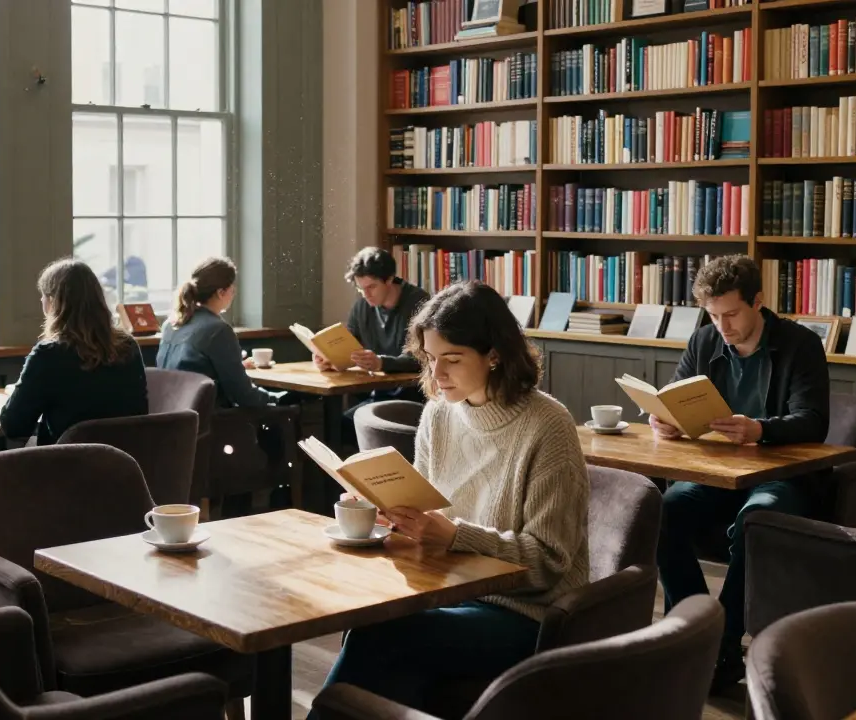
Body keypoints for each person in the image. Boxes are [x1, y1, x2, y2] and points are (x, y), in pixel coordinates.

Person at [310, 281, 590, 718]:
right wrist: (384, 508)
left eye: (453, 360)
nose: (437, 376)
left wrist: (458, 536)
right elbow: (427, 517)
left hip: (527, 613)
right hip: (449, 594)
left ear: (494, 354)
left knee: (383, 639)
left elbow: (550, 562)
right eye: (430, 358)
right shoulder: (439, 415)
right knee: (380, 641)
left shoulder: (548, 425)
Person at [652, 254, 830, 694]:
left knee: (755, 521)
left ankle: (723, 645)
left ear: (758, 301)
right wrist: (665, 420)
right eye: (713, 315)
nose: (723, 326)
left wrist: (761, 429)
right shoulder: (704, 340)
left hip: (778, 477)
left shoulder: (800, 344)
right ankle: (692, 630)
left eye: (731, 314)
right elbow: (677, 396)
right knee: (661, 514)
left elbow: (813, 420)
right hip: (715, 474)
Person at [0, 257, 147, 445]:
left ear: (53, 303)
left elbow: (14, 426)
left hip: (66, 467)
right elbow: (140, 414)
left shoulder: (48, 355)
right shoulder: (128, 346)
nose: (41, 300)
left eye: (44, 295)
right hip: (123, 464)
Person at [320, 247, 430, 445]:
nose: (365, 294)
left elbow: (423, 357)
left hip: (411, 396)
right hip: (378, 394)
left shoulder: (419, 304)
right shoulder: (363, 307)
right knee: (336, 426)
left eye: (371, 287)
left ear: (389, 279)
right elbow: (350, 344)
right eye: (360, 288)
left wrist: (381, 363)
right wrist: (331, 358)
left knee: (343, 426)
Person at [156, 257, 280, 407]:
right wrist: (279, 398)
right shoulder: (218, 330)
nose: (234, 292)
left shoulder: (170, 325)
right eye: (232, 288)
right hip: (212, 422)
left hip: (176, 419)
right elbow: (243, 395)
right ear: (221, 292)